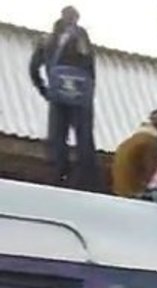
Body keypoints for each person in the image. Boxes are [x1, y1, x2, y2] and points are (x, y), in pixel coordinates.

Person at [28, 6, 98, 190]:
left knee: (57, 138)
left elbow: (33, 69)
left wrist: (45, 91)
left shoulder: (47, 40)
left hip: (57, 96)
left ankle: (58, 177)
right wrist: (89, 95)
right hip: (80, 98)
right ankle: (84, 182)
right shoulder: (82, 38)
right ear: (76, 18)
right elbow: (91, 70)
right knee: (84, 139)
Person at [111, 110, 157, 198]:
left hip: (120, 190)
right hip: (134, 193)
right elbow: (154, 174)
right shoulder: (150, 142)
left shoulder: (132, 140)